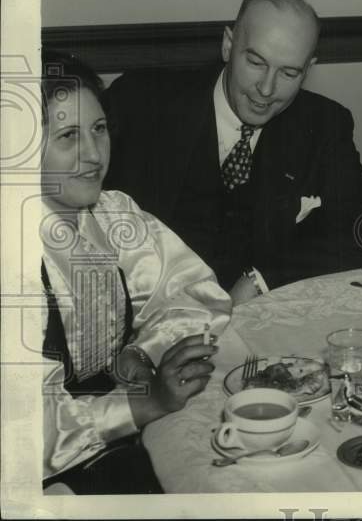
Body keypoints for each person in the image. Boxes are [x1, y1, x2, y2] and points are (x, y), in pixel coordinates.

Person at [104, 0, 362, 304]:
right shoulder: (140, 103)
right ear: (228, 45)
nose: (266, 89)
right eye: (255, 62)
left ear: (308, 69)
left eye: (289, 72)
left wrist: (260, 280)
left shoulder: (323, 123)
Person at [39, 51, 231, 493]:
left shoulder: (112, 214)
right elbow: (25, 432)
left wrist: (143, 352)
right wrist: (143, 403)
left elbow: (196, 292)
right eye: (68, 136)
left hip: (116, 438)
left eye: (99, 129)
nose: (93, 154)